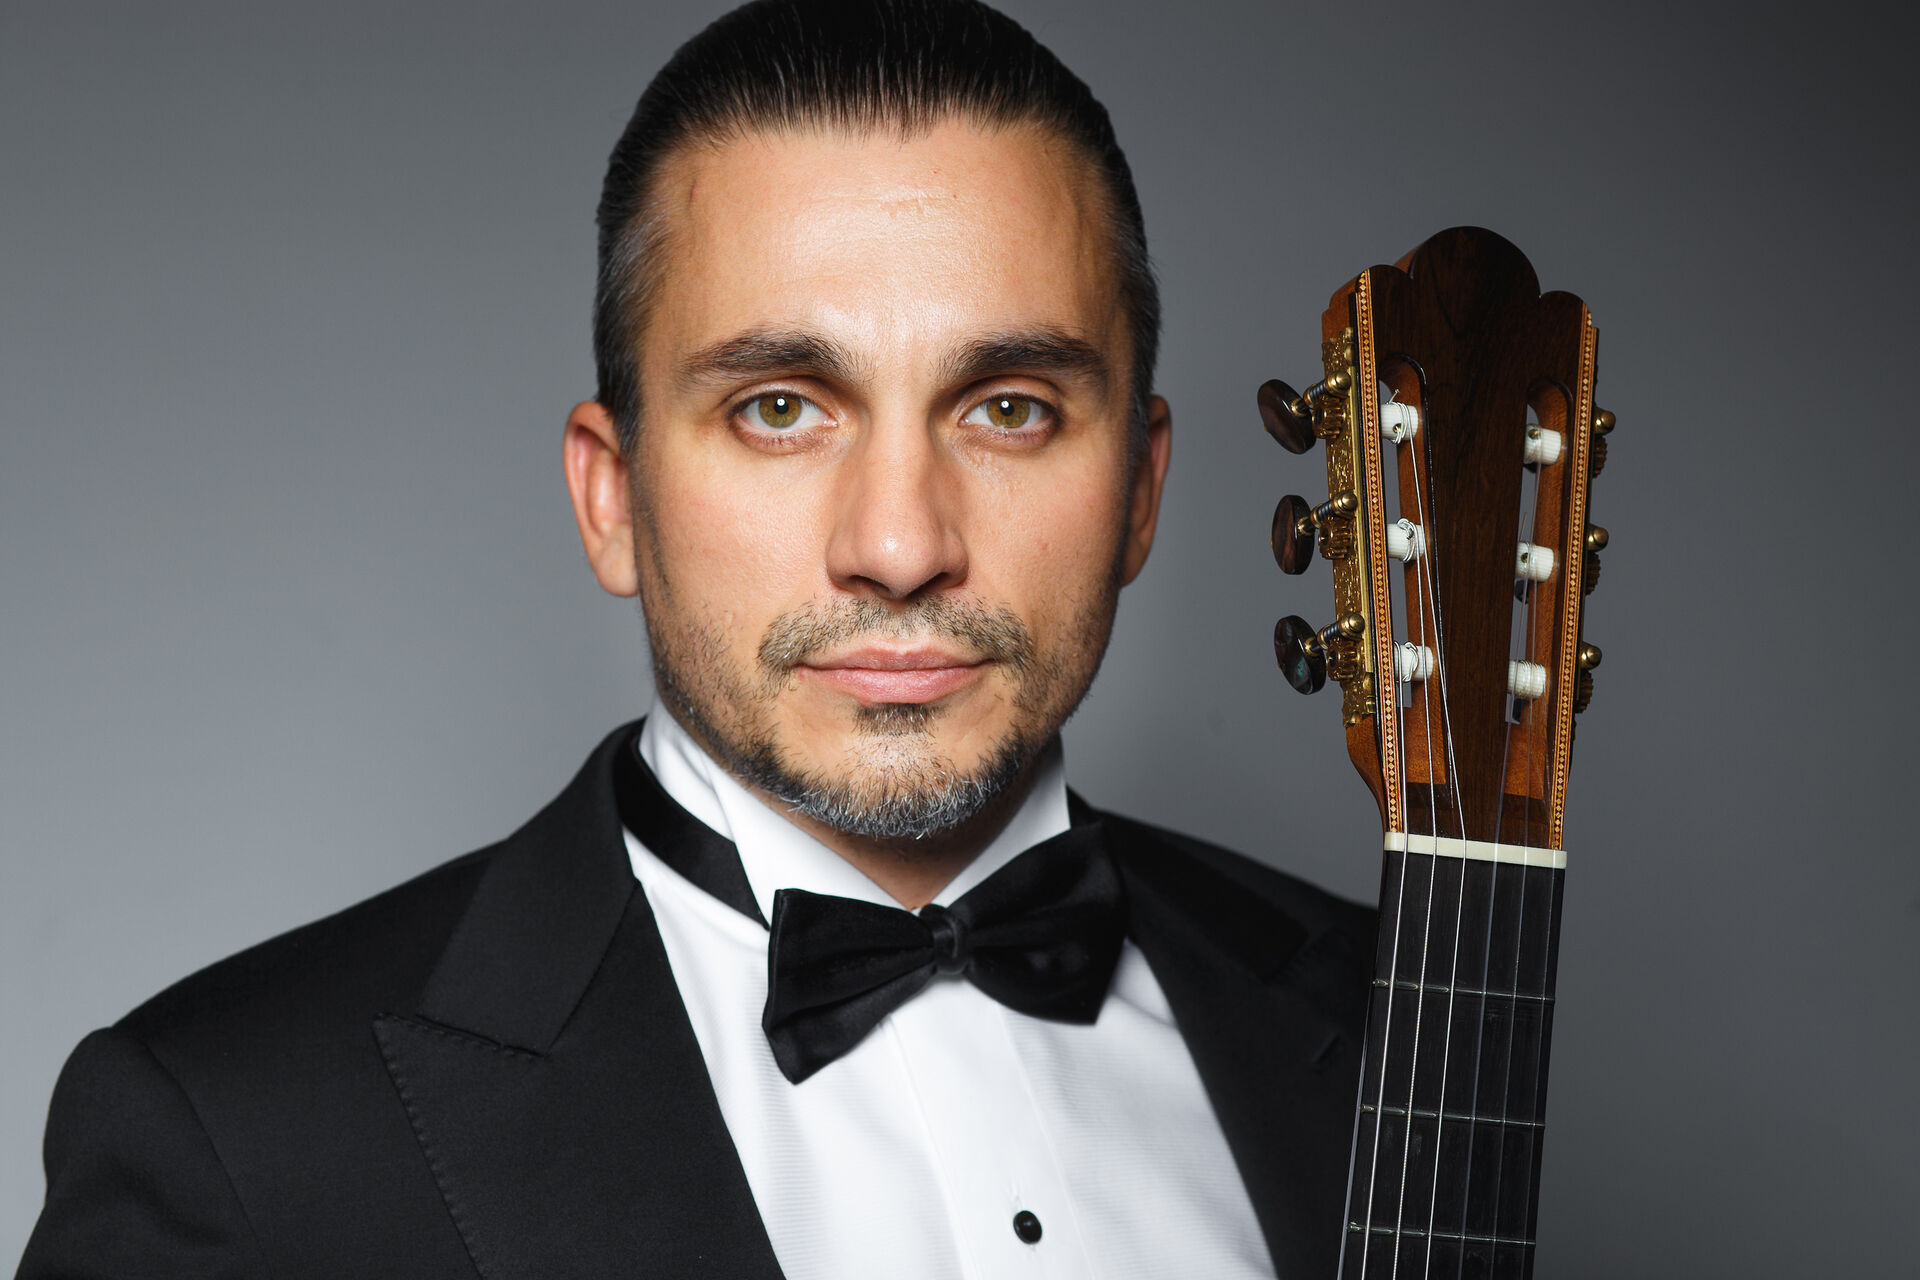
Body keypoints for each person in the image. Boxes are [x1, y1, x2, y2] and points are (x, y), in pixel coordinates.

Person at [18, 2, 1373, 1276]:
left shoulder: (1401, 1017)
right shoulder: (238, 1140)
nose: (901, 545)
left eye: (1008, 409)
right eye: (780, 409)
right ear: (613, 499)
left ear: (1139, 490)